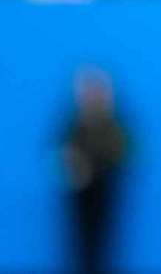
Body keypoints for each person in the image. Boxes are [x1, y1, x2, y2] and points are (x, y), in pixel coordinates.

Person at [62, 67, 128, 274]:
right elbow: (63, 149)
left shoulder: (113, 124)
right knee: (80, 242)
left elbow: (121, 151)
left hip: (105, 191)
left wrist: (95, 164)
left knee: (104, 241)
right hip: (80, 194)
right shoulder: (74, 123)